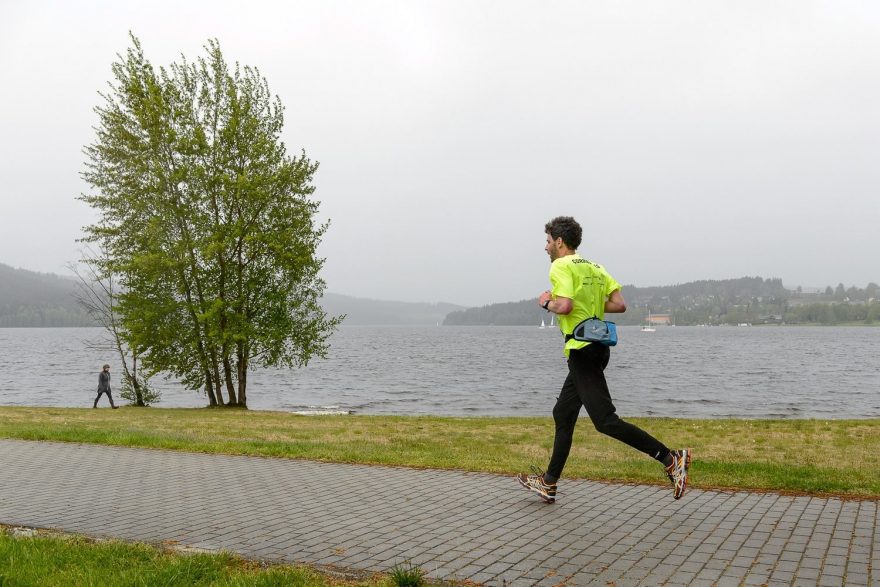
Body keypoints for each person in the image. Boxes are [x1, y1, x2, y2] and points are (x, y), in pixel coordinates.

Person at [517, 216, 690, 503]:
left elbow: (565, 305)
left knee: (605, 421)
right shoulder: (596, 267)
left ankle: (671, 459)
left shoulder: (560, 266)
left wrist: (546, 302)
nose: (545, 247)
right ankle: (548, 482)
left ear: (559, 242)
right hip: (598, 348)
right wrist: (593, 303)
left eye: (548, 241)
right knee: (563, 413)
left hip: (582, 351)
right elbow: (619, 304)